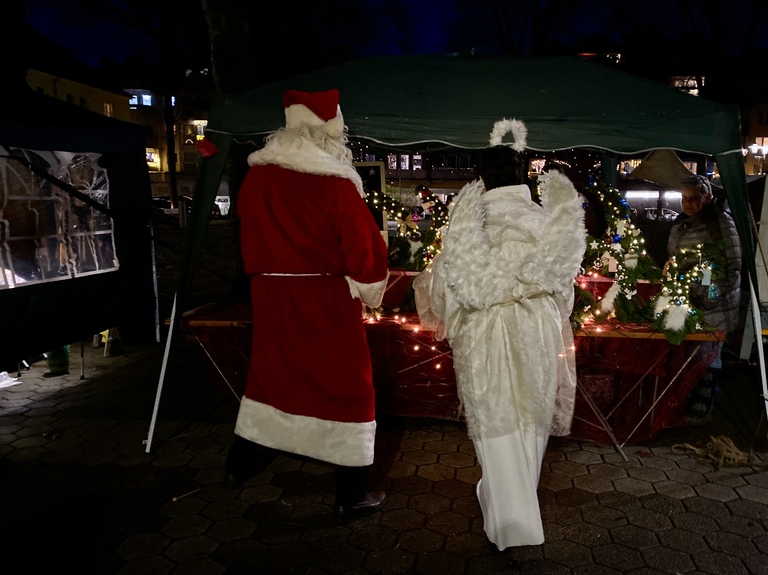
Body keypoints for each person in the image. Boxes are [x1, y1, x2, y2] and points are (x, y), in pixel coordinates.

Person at [413, 118, 586, 548]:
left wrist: (449, 317)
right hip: (537, 327)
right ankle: (509, 504)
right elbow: (565, 287)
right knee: (531, 415)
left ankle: (512, 518)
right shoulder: (546, 221)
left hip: (484, 330)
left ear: (481, 179)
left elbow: (445, 287)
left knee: (495, 416)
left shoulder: (466, 225)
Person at [226, 88, 390, 521]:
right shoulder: (335, 184)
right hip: (323, 298)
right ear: (329, 132)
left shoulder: (257, 177)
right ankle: (351, 493)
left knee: (272, 376)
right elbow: (365, 251)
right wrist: (370, 290)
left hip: (270, 295)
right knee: (348, 389)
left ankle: (239, 464)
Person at [666, 174, 742, 421]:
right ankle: (689, 399)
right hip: (690, 300)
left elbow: (729, 267)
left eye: (694, 198)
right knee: (692, 352)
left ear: (707, 197)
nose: (688, 204)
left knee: (710, 353)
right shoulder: (683, 224)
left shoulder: (719, 224)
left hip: (712, 306)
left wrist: (708, 298)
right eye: (684, 199)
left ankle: (702, 405)